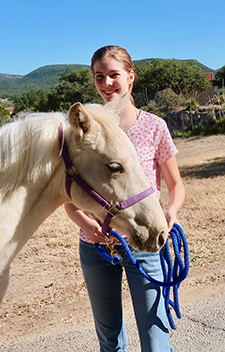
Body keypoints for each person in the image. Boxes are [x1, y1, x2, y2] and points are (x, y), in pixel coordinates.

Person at [65, 45, 185, 352]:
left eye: (113, 75)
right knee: (110, 343)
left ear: (130, 77)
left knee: (156, 343)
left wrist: (171, 211)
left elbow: (175, 184)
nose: (106, 84)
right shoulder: (86, 131)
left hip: (144, 243)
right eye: (99, 76)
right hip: (96, 248)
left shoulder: (154, 126)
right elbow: (68, 193)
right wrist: (84, 223)